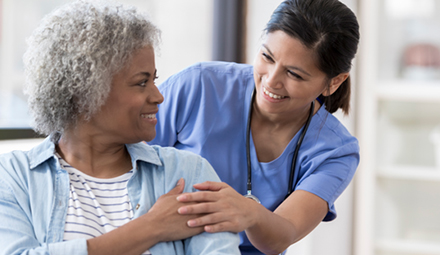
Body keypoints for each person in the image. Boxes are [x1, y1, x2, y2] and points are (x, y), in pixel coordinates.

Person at [0, 1, 240, 254]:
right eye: (141, 83)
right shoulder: (14, 177)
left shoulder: (188, 173)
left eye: (154, 80)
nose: (158, 96)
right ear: (85, 94)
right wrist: (151, 227)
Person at [148, 0, 360, 254]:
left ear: (334, 82)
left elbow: (283, 236)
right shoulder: (200, 86)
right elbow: (122, 159)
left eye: (294, 74)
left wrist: (250, 213)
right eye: (266, 57)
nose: (271, 80)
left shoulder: (336, 151)